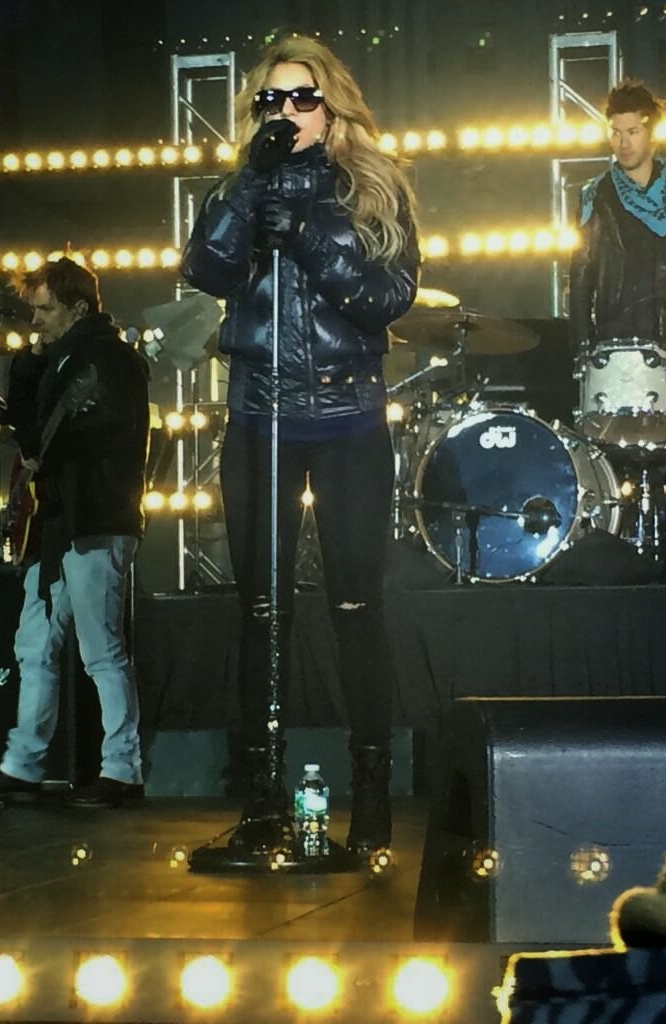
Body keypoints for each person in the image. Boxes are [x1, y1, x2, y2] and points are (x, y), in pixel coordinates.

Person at [181, 35, 420, 856]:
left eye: (302, 97)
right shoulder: (238, 187)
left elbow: (391, 297)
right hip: (260, 415)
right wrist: (251, 186)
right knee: (260, 610)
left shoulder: (374, 186)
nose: (287, 111)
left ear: (332, 106)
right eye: (272, 99)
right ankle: (262, 800)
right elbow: (205, 272)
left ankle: (373, 798)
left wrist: (313, 238)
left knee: (356, 606)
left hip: (349, 416)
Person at [0, 257, 150, 808]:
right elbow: (28, 428)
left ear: (77, 308)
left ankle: (122, 769)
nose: (35, 320)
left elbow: (108, 433)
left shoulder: (112, 359)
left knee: (100, 649)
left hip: (96, 517)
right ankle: (23, 764)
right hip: (58, 519)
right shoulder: (58, 359)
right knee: (34, 645)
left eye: (44, 309)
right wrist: (29, 364)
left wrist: (51, 448)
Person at [570, 78, 666, 375]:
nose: (623, 143)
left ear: (653, 134)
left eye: (632, 132)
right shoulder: (596, 196)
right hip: (611, 349)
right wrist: (584, 351)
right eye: (616, 132)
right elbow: (581, 277)